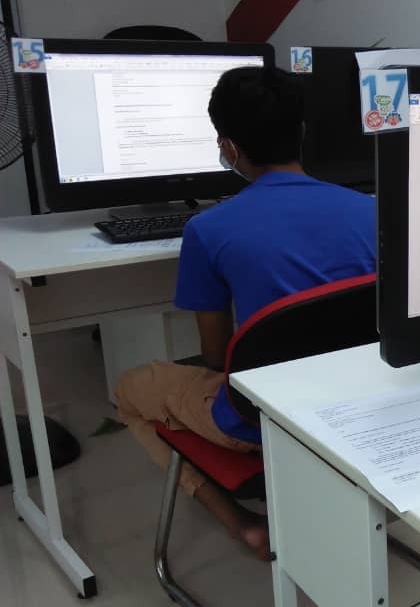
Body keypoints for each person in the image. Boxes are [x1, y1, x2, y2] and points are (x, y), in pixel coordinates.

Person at [114, 66, 377, 559]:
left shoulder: (209, 229)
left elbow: (217, 357)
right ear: (301, 132)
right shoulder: (372, 210)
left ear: (228, 148)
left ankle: (244, 524)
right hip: (359, 405)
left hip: (262, 423)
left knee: (131, 389)